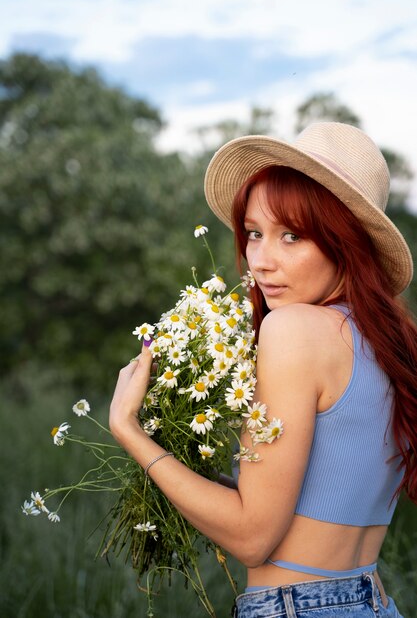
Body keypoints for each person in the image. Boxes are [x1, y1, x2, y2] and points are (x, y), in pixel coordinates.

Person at [109, 122, 417, 617]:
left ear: (347, 242)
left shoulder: (294, 330)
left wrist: (130, 431)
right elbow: (304, 505)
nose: (261, 260)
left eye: (292, 236)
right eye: (255, 233)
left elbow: (253, 537)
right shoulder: (390, 342)